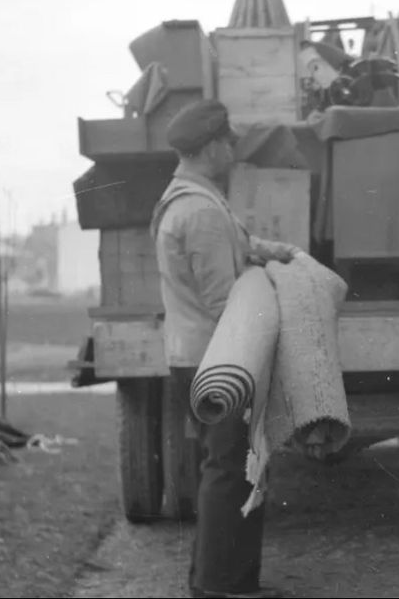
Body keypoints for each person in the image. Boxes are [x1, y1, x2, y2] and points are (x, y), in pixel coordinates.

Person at [150, 99, 300, 598]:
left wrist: (269, 252)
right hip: (218, 360)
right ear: (211, 146)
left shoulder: (191, 200)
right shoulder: (199, 210)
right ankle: (222, 586)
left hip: (199, 357)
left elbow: (232, 244)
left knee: (225, 468)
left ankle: (218, 581)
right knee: (230, 471)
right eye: (228, 142)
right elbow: (222, 301)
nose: (233, 150)